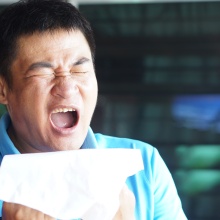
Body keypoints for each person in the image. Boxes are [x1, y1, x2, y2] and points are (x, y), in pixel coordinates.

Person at [0, 0, 187, 219]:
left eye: (79, 69)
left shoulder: (144, 166)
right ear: (3, 90)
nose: (67, 87)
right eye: (44, 72)